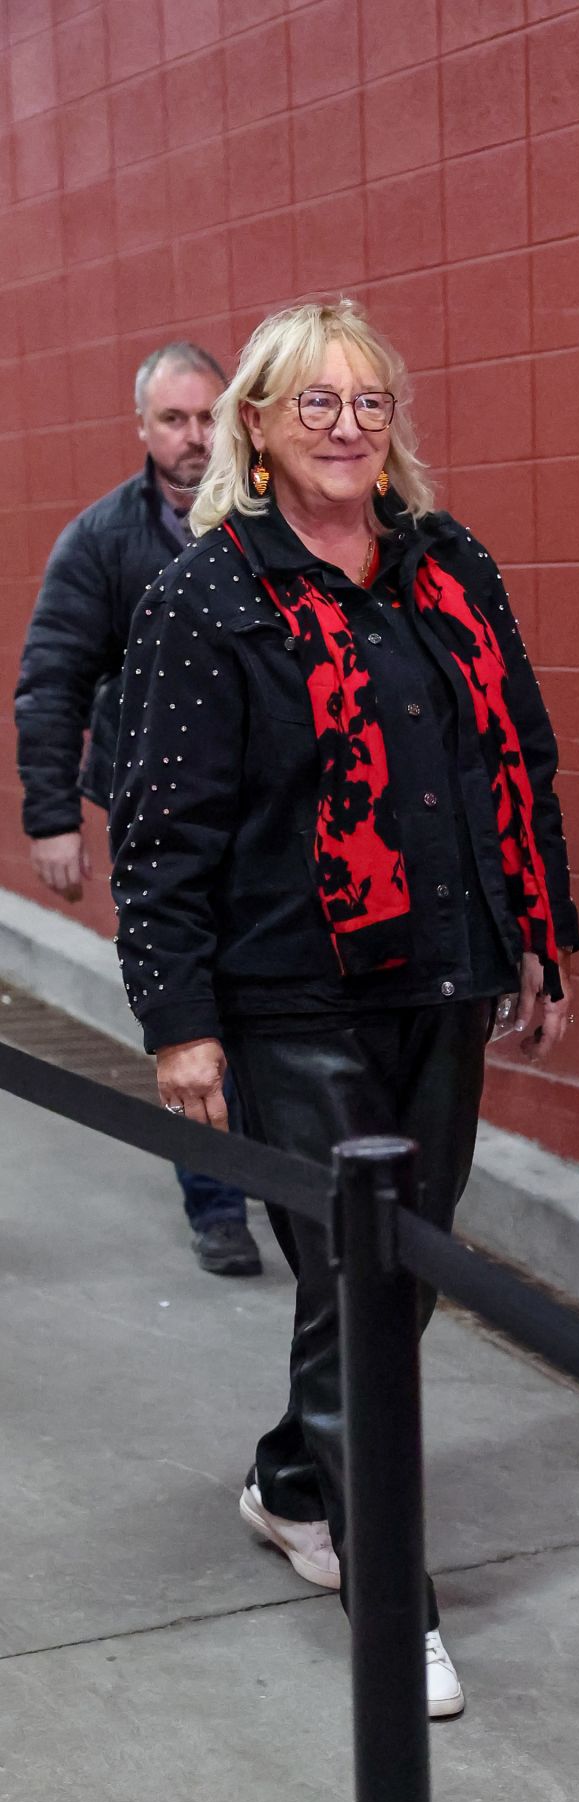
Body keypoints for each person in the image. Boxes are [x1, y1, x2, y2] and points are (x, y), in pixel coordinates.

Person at [109, 298, 579, 1718]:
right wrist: (178, 1020)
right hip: (290, 997)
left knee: (389, 1277)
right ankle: (396, 1594)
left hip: (441, 980)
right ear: (254, 424)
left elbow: (523, 758)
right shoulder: (206, 598)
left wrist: (541, 938)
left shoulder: (448, 568)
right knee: (365, 1289)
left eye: (367, 402)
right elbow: (162, 829)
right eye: (313, 402)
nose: (344, 426)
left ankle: (292, 1479)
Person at [14, 341, 263, 1278]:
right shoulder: (103, 540)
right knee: (186, 1003)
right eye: (173, 420)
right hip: (158, 815)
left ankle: (299, 1190)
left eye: (207, 416)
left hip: (275, 816)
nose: (194, 437)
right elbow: (52, 682)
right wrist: (51, 817)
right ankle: (216, 1204)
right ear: (143, 429)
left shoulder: (268, 521)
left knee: (277, 1007)